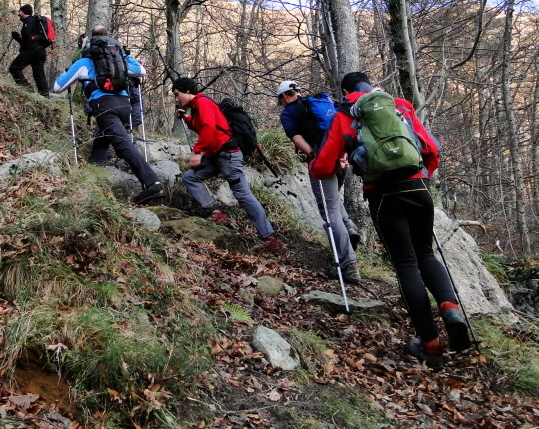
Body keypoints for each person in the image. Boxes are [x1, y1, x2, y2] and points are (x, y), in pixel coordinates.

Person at [310, 71, 471, 369]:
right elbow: (432, 148)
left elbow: (322, 166)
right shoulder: (400, 106)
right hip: (418, 185)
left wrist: (322, 163)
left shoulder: (346, 115)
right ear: (370, 86)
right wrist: (423, 176)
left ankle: (431, 345)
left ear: (346, 91)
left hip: (384, 194)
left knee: (406, 263)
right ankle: (450, 308)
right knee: (425, 253)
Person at [53, 26, 164, 204]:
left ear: (90, 43)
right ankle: (94, 165)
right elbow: (141, 71)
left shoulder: (84, 62)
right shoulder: (119, 59)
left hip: (104, 105)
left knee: (123, 145)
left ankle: (152, 183)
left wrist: (65, 73)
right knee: (105, 134)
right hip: (124, 105)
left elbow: (58, 88)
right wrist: (126, 56)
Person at [172, 77, 281, 251]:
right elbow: (202, 127)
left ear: (186, 91)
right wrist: (186, 118)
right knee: (190, 178)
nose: (177, 99)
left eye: (177, 94)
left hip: (228, 156)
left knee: (242, 194)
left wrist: (197, 152)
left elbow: (209, 128)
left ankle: (269, 237)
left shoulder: (203, 103)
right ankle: (216, 212)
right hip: (215, 156)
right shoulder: (196, 107)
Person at [277, 80, 360, 283]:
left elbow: (296, 138)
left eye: (280, 100)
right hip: (341, 155)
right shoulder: (318, 103)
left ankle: (347, 265)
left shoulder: (289, 112)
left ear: (285, 96)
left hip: (322, 157)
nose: (281, 103)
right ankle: (349, 227)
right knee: (332, 198)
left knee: (328, 209)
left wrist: (314, 156)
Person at [9, 4, 49, 97]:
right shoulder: (35, 21)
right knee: (39, 74)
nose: (18, 14)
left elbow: (26, 39)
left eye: (20, 11)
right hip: (40, 51)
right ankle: (45, 96)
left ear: (24, 12)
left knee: (14, 68)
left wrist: (17, 37)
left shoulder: (29, 20)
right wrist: (18, 38)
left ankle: (28, 90)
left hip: (31, 50)